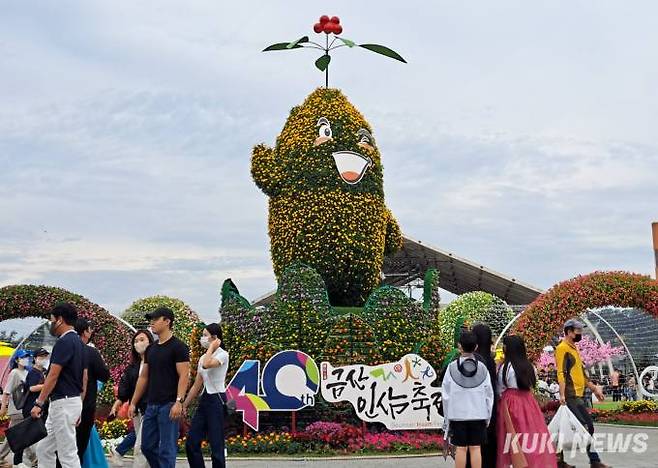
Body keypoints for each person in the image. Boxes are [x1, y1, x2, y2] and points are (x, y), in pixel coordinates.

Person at [129, 307, 190, 468]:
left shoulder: (178, 347)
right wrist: (133, 402)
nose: (152, 323)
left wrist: (179, 401)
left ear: (167, 321)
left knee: (167, 449)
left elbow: (184, 375)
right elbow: (144, 377)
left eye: (155, 319)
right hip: (151, 404)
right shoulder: (151, 349)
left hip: (169, 404)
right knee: (147, 446)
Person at [31, 302, 85, 468]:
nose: (51, 324)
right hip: (68, 402)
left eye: (52, 320)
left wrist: (39, 402)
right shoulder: (78, 342)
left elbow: (53, 375)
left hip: (63, 403)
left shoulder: (64, 342)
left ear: (60, 320)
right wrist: (79, 405)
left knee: (67, 454)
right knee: (44, 449)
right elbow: (84, 377)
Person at [555, 319, 609, 468]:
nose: (580, 333)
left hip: (577, 395)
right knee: (585, 426)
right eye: (577, 331)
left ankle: (560, 460)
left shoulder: (574, 349)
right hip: (569, 395)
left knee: (582, 427)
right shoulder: (562, 348)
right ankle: (594, 461)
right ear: (568, 332)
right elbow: (561, 372)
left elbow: (581, 375)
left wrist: (594, 389)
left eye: (580, 330)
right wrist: (562, 395)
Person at [496, 335, 556, 467]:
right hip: (529, 402)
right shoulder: (529, 366)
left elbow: (500, 388)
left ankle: (514, 462)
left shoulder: (505, 367)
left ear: (508, 348)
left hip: (509, 402)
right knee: (530, 434)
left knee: (510, 435)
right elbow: (531, 384)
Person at [441, 331, 494, 468]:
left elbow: (445, 395)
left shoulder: (451, 368)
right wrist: (487, 417)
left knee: (461, 449)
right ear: (476, 347)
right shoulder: (482, 368)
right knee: (476, 448)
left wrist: (447, 418)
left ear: (459, 346)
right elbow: (489, 395)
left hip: (457, 416)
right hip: (478, 414)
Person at [183, 323, 229, 468]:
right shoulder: (203, 357)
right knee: (191, 442)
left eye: (205, 335)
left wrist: (212, 347)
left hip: (217, 400)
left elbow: (207, 365)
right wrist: (184, 404)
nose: (202, 338)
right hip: (205, 400)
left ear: (214, 338)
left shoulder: (223, 354)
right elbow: (197, 384)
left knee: (216, 445)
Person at [109, 330, 154, 468]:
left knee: (141, 447)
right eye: (135, 341)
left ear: (150, 341)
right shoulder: (132, 367)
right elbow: (125, 387)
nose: (138, 343)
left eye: (142, 340)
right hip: (137, 410)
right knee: (145, 446)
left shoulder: (156, 363)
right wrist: (117, 404)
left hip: (152, 409)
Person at [74, 319, 110, 461]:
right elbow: (105, 375)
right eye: (89, 329)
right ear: (84, 332)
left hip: (63, 403)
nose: (91, 332)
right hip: (85, 403)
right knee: (79, 445)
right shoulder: (90, 352)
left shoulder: (64, 348)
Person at [13, 348, 50, 468]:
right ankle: (18, 460)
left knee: (31, 434)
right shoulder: (33, 372)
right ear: (35, 359)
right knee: (28, 434)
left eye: (45, 357)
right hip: (31, 407)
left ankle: (30, 460)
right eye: (41, 357)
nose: (44, 359)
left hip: (39, 407)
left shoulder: (43, 371)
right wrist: (47, 385)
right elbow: (32, 388)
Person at [467, 323, 497, 468]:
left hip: (471, 408)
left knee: (470, 446)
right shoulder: (490, 361)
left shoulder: (471, 360)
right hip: (488, 409)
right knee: (487, 445)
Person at [0, 349, 33, 468]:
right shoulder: (14, 373)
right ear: (17, 359)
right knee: (14, 435)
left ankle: (32, 457)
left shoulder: (27, 372)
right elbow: (7, 392)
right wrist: (3, 407)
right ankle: (33, 457)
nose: (26, 359)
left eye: (27, 357)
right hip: (16, 409)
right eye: (24, 357)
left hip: (24, 409)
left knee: (20, 434)